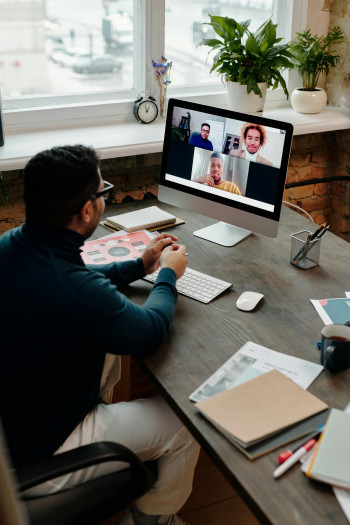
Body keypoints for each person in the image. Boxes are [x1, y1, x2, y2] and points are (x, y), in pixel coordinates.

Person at [0, 145, 200, 525]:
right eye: (102, 193)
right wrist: (168, 275)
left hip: (14, 425)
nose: (104, 201)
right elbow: (150, 332)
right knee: (185, 426)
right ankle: (153, 519)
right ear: (87, 210)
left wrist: (136, 266)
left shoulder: (14, 246)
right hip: (39, 452)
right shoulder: (74, 289)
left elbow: (74, 286)